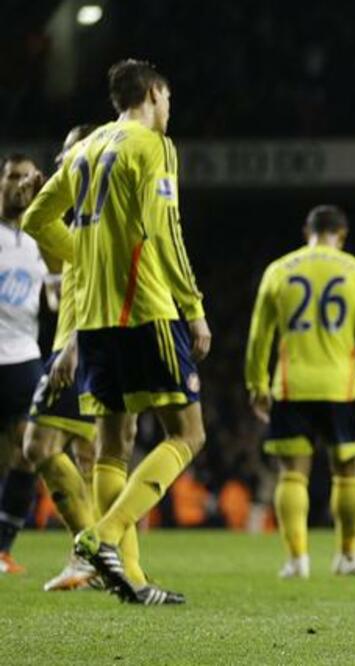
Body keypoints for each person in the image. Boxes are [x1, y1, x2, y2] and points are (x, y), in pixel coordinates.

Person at [22, 59, 211, 605]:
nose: (168, 112)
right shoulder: (151, 145)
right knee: (189, 434)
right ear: (153, 93)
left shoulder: (85, 146)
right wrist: (192, 306)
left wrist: (85, 256)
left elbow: (37, 217)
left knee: (114, 446)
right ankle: (101, 538)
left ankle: (127, 577)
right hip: (145, 309)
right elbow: (165, 231)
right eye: (168, 101)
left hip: (95, 319)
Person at [245, 205, 355, 579]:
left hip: (292, 385)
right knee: (348, 472)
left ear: (307, 230)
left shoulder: (279, 270)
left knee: (292, 474)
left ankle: (297, 560)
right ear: (342, 234)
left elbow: (260, 335)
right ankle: (348, 556)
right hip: (341, 387)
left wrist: (256, 383)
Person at [0, 153, 48, 574]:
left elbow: (55, 295)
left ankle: (3, 547)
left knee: (29, 451)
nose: (20, 184)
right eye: (12, 176)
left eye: (27, 178)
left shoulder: (35, 244)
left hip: (24, 357)